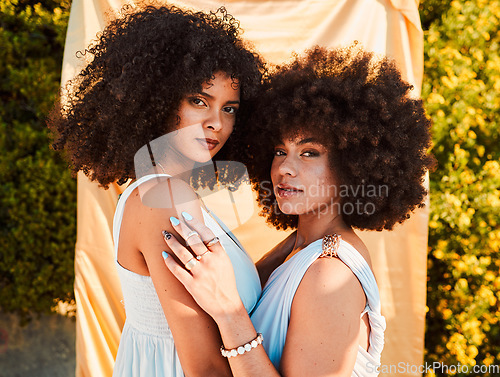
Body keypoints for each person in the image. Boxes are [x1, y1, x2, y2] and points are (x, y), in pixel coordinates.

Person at [162, 44, 435, 376]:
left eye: (309, 152)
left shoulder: (329, 275)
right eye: (280, 150)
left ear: (352, 165)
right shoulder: (299, 248)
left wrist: (229, 312)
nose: (285, 168)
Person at [48, 4, 270, 376]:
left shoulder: (158, 189)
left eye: (229, 108)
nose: (216, 123)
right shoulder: (165, 198)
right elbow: (206, 369)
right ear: (158, 100)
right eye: (198, 100)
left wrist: (305, 245)